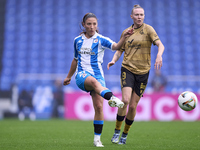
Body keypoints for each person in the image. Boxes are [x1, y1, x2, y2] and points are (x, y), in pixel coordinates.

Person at [63, 13, 133, 147]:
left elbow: (116, 47)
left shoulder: (101, 39)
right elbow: (75, 60)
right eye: (89, 24)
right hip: (82, 75)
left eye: (94, 24)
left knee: (99, 107)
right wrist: (69, 76)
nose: (91, 26)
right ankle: (113, 98)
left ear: (97, 25)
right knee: (94, 83)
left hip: (98, 76)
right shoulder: (77, 40)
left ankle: (97, 139)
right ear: (83, 24)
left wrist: (124, 37)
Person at [107, 4, 165, 145]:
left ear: (144, 16)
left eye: (142, 14)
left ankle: (125, 134)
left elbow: (160, 44)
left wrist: (159, 55)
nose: (139, 17)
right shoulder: (126, 32)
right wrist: (114, 60)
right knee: (125, 100)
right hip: (127, 69)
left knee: (133, 106)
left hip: (143, 72)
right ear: (131, 16)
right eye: (137, 15)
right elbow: (120, 50)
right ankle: (116, 131)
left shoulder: (149, 30)